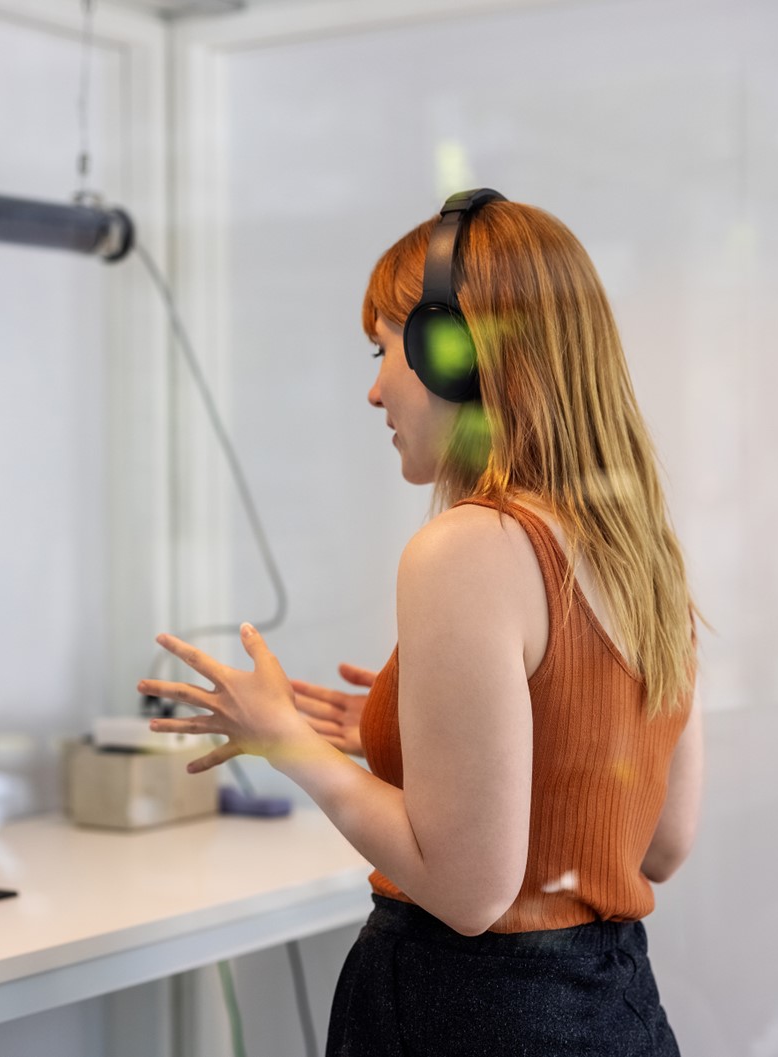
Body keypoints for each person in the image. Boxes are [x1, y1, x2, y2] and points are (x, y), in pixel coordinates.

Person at [138, 191, 704, 1056]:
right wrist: (420, 743)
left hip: (474, 1017)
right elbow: (660, 842)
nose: (372, 389)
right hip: (617, 1010)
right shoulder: (641, 553)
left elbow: (471, 892)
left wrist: (287, 741)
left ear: (454, 352)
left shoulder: (469, 547)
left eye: (383, 348)